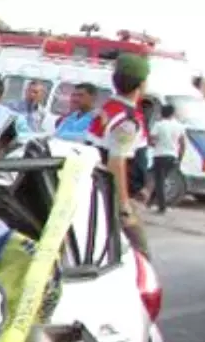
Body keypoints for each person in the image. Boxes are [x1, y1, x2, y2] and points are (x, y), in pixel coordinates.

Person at [86, 53, 152, 258]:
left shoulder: (109, 109)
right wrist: (124, 207)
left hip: (102, 189)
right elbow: (117, 162)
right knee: (140, 254)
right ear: (141, 84)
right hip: (113, 195)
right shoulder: (127, 120)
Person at [147, 103, 186, 214]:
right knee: (162, 179)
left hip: (159, 155)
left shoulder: (158, 125)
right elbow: (183, 144)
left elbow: (151, 140)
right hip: (172, 156)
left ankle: (161, 206)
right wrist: (179, 158)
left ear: (161, 113)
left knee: (159, 180)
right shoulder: (179, 126)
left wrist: (155, 145)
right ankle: (151, 202)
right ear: (172, 114)